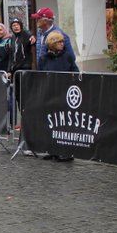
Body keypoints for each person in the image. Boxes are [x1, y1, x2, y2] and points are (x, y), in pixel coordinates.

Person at [38, 31, 77, 162]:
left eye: (62, 41)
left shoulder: (67, 56)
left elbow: (75, 71)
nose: (62, 43)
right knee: (50, 122)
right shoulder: (43, 58)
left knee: (64, 123)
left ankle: (66, 152)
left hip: (64, 93)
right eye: (60, 41)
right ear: (53, 43)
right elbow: (40, 75)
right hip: (50, 93)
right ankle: (52, 150)